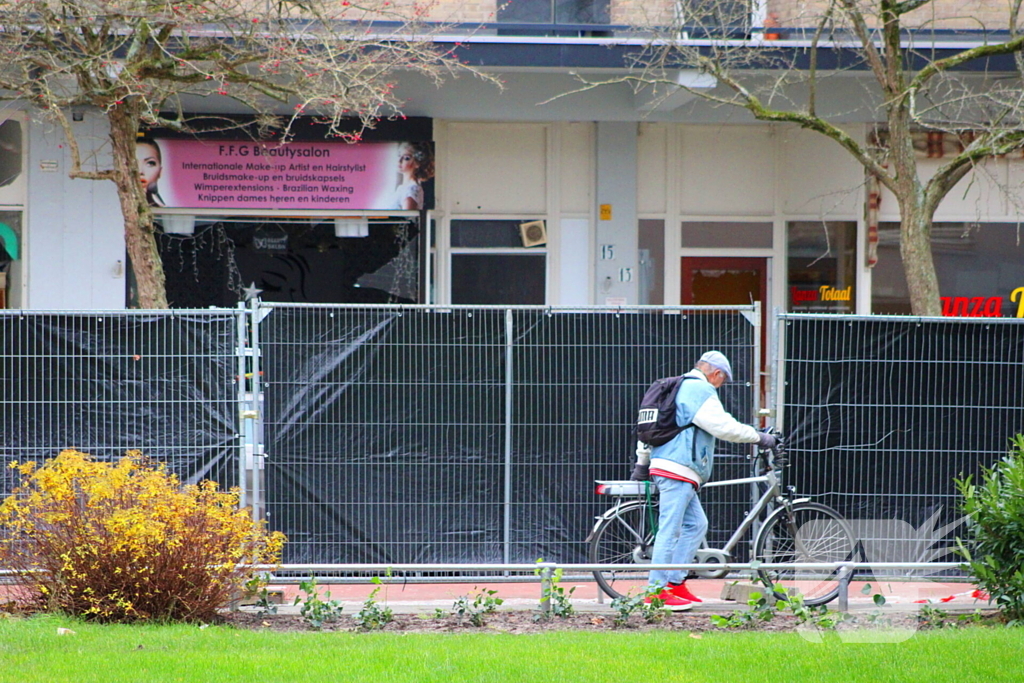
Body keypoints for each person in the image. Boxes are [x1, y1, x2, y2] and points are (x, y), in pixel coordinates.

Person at [630, 350, 777, 611]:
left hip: (672, 467)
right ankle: (655, 593)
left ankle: (674, 583)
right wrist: (759, 438)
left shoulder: (675, 387)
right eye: (723, 380)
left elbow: (648, 429)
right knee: (670, 529)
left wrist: (642, 463)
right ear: (716, 373)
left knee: (697, 524)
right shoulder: (698, 389)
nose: (721, 386)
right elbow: (723, 427)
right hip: (678, 468)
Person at [392, 142, 433, 211]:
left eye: (406, 158)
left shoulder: (411, 190)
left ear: (417, 163)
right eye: (399, 155)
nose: (399, 161)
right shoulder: (403, 187)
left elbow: (407, 219)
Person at [136, 137, 166, 207]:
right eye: (134, 163)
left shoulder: (164, 211)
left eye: (150, 163)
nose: (141, 171)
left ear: (160, 172)